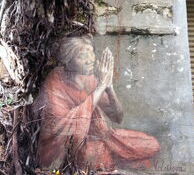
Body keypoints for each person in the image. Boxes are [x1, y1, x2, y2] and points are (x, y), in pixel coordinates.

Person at [33, 35, 160, 171]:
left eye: (91, 53)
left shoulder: (90, 79)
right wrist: (101, 86)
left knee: (150, 144)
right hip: (68, 144)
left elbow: (117, 117)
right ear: (67, 61)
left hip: (100, 136)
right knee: (94, 156)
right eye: (82, 56)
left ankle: (109, 155)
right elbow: (61, 127)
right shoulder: (55, 80)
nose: (90, 60)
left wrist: (109, 87)